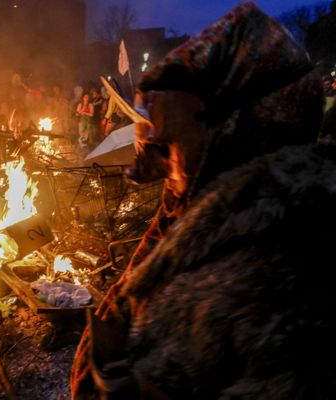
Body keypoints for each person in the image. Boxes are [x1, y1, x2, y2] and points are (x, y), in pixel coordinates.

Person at [71, 3, 332, 399]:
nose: (163, 155)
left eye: (172, 141)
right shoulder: (230, 215)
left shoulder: (266, 272)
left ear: (234, 134)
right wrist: (174, 191)